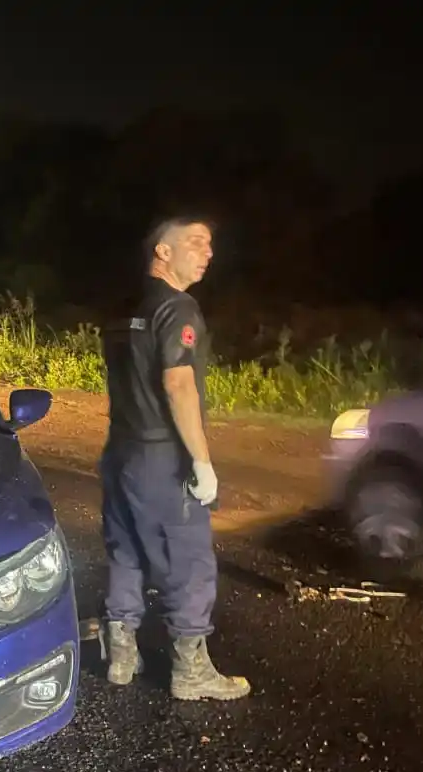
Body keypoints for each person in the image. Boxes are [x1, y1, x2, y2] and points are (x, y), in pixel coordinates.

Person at [99, 218, 250, 701]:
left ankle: (121, 656)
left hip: (120, 450)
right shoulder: (177, 307)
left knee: (127, 552)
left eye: (211, 243)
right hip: (161, 456)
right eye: (196, 241)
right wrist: (201, 463)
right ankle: (191, 672)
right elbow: (178, 382)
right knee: (186, 559)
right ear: (162, 251)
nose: (208, 251)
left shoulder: (124, 310)